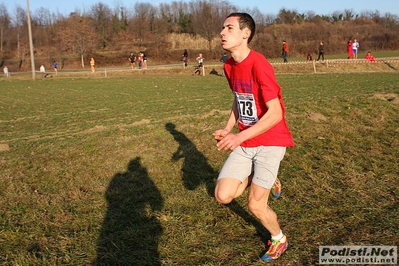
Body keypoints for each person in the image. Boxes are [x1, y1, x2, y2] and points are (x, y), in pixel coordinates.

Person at [213, 12, 294, 261]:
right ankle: (267, 179)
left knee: (255, 205)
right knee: (223, 195)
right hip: (246, 139)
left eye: (229, 27)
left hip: (271, 140)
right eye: (222, 28)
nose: (222, 32)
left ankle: (279, 238)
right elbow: (239, 99)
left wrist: (238, 137)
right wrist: (229, 128)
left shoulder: (260, 64)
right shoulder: (228, 66)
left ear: (245, 33)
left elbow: (276, 114)